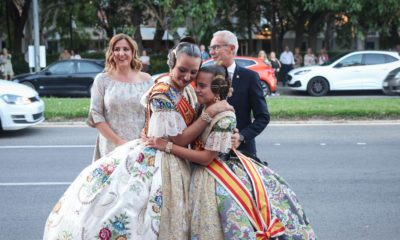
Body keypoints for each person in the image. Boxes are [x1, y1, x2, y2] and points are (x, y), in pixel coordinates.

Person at [43, 37, 232, 240]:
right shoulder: (162, 92)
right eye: (182, 70)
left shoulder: (186, 89)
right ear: (172, 64)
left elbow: (189, 123)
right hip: (161, 160)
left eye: (193, 72)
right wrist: (209, 114)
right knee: (139, 214)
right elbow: (178, 139)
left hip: (175, 159)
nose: (187, 77)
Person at [146, 64, 317, 239]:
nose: (197, 90)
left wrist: (167, 146)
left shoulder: (225, 117)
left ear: (218, 88)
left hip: (213, 175)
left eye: (202, 86)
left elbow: (206, 158)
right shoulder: (204, 107)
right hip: (198, 171)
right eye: (197, 84)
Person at [87, 33, 154, 161]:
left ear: (133, 52)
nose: (121, 53)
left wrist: (145, 134)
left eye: (126, 49)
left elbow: (153, 113)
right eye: (116, 49)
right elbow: (96, 114)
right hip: (111, 147)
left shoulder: (147, 80)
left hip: (140, 146)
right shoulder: (102, 80)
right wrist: (119, 142)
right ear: (111, 53)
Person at [209, 30, 269, 160]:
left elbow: (263, 117)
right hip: (210, 153)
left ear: (231, 48)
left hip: (241, 153)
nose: (211, 52)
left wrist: (242, 136)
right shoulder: (207, 77)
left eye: (216, 47)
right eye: (211, 48)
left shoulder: (250, 77)